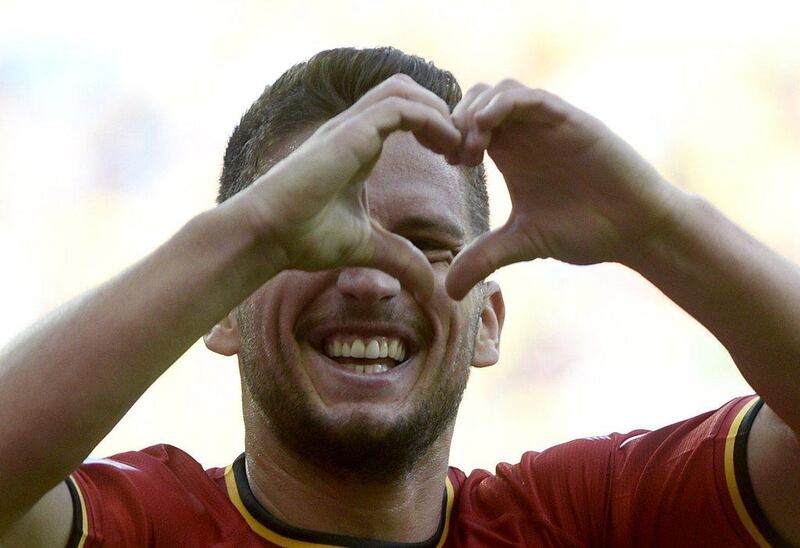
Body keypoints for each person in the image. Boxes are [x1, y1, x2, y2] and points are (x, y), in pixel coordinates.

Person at [0, 46, 797, 547]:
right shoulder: (138, 527)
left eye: (425, 242)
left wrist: (657, 224)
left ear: (487, 323)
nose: (371, 277)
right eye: (305, 238)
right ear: (221, 306)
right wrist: (246, 233)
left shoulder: (588, 520)